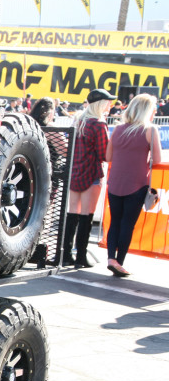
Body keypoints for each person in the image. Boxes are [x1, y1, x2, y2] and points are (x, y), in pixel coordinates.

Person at [104, 93, 162, 277]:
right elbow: (158, 160)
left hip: (115, 182)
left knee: (114, 222)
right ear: (147, 111)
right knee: (127, 224)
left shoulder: (118, 129)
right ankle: (119, 262)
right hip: (137, 184)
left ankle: (110, 258)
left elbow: (108, 157)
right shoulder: (150, 130)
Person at [64, 88, 116, 268]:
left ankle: (65, 253)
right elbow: (104, 155)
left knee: (72, 213)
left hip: (74, 171)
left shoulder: (78, 120)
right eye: (108, 102)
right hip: (91, 173)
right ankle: (80, 256)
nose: (110, 105)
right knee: (86, 216)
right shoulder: (99, 125)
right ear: (101, 104)